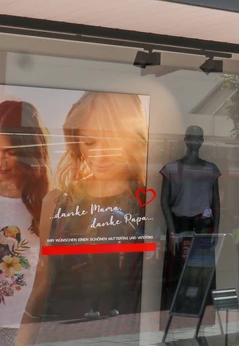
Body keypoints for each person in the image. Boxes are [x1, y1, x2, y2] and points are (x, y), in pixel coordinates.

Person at [24, 92, 149, 329]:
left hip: (130, 340)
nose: (100, 155)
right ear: (76, 141)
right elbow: (43, 280)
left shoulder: (147, 200)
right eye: (89, 142)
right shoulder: (57, 202)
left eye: (113, 143)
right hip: (59, 336)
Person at [0, 101, 51, 346]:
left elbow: (47, 268)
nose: (2, 160)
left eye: (10, 151)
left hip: (18, 321)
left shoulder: (43, 199)